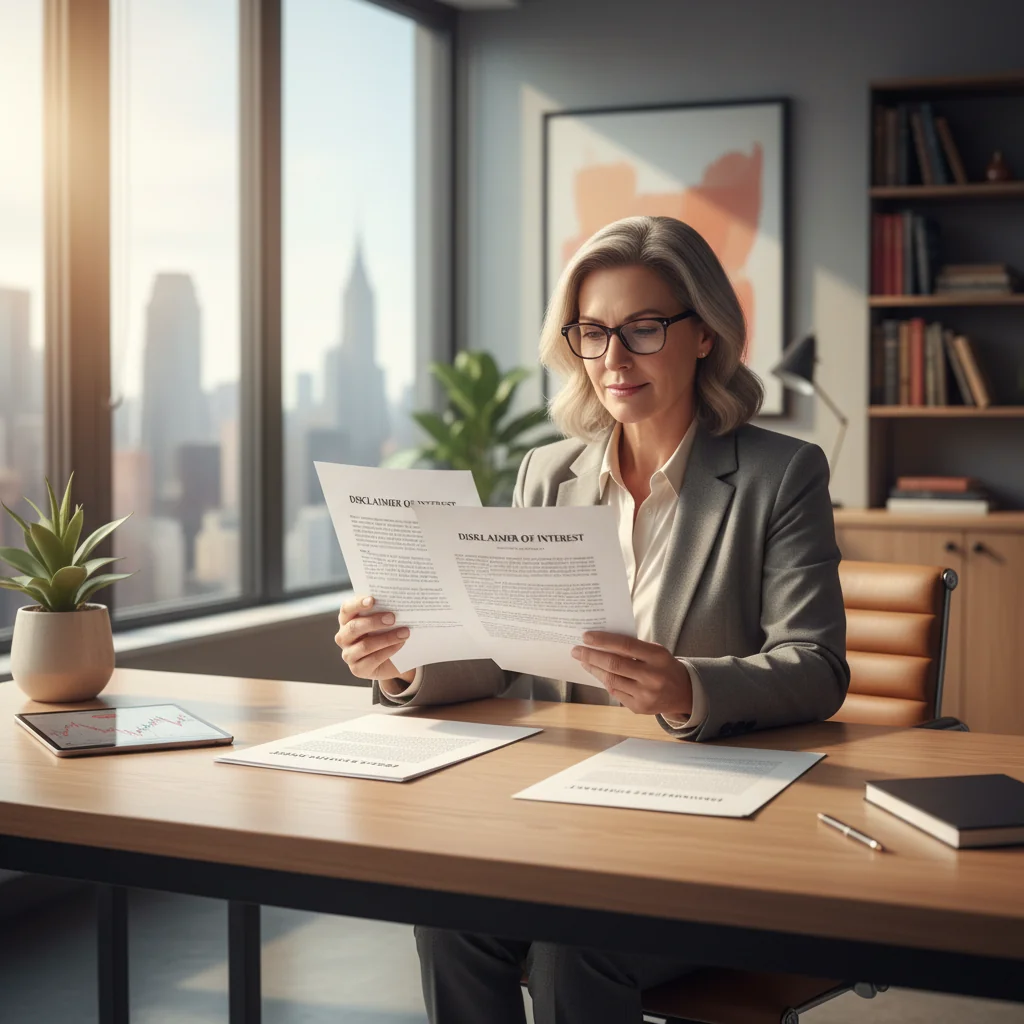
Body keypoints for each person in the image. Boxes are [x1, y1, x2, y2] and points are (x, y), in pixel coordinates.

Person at [335, 215, 850, 1024]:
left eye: (643, 329)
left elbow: (816, 666)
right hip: (562, 814)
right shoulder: (548, 472)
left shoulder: (781, 474)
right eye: (592, 332)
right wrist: (405, 660)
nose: (614, 358)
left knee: (574, 947)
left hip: (705, 830)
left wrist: (687, 688)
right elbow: (503, 654)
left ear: (705, 334)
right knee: (449, 922)